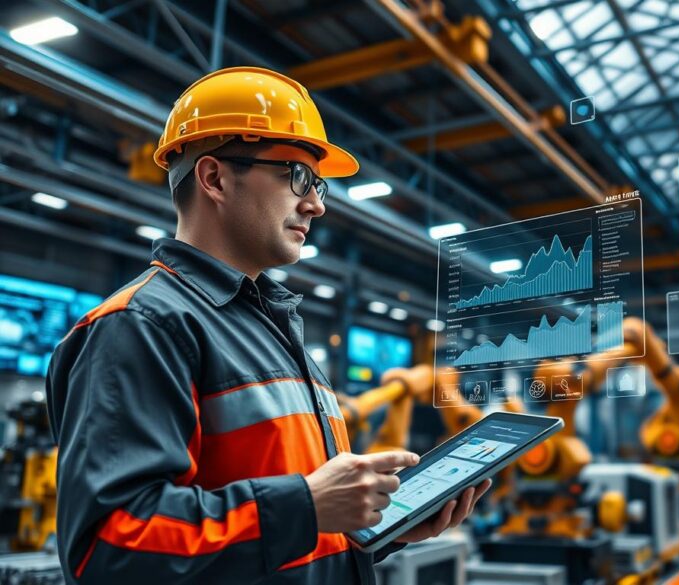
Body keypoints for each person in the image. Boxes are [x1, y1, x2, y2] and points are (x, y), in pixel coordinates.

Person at [45, 66, 490, 584]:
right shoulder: (142, 326)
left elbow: (291, 533)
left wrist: (380, 526)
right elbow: (109, 548)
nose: (316, 204)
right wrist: (304, 507)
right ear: (214, 178)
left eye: (319, 185)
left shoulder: (274, 329)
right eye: (297, 176)